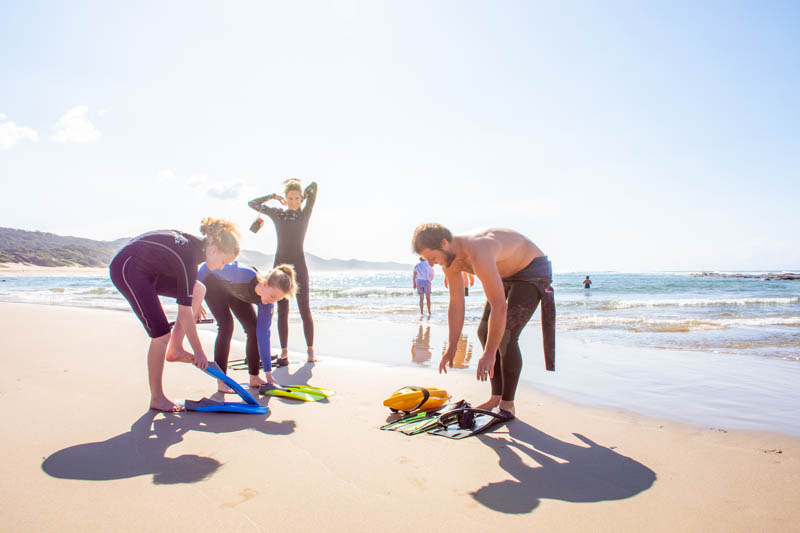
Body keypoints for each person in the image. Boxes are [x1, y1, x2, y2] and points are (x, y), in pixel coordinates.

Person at [411, 223, 556, 417]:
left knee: (506, 335)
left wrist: (489, 354)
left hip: (531, 272)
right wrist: (452, 346)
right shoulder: (449, 261)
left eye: (431, 257)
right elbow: (456, 303)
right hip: (504, 272)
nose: (430, 264)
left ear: (444, 243)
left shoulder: (478, 251)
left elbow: (499, 306)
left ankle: (507, 404)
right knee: (484, 332)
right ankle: (495, 397)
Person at [109, 218, 240, 412]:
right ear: (213, 250)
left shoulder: (193, 247)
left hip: (150, 270)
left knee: (198, 290)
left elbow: (186, 294)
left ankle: (176, 349)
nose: (222, 267)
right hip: (129, 269)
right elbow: (185, 313)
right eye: (223, 262)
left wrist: (189, 298)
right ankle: (157, 397)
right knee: (161, 335)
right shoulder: (189, 257)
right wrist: (199, 352)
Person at [196, 262, 297, 393]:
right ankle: (221, 381)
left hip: (234, 293)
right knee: (226, 326)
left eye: (277, 300)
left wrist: (268, 373)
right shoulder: (242, 274)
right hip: (213, 284)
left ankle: (254, 377)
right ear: (265, 284)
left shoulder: (267, 303)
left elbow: (264, 336)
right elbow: (207, 266)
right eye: (272, 297)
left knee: (254, 330)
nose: (273, 302)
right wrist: (194, 296)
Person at [248, 179, 318, 364]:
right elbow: (252, 203)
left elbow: (314, 187)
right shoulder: (278, 214)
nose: (294, 202)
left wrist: (303, 190)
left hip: (299, 265)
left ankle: (310, 351)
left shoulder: (304, 214)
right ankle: (284, 351)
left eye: (297, 198)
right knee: (282, 310)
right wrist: (271, 196)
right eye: (290, 198)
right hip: (279, 265)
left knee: (304, 308)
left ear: (301, 199)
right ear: (285, 199)